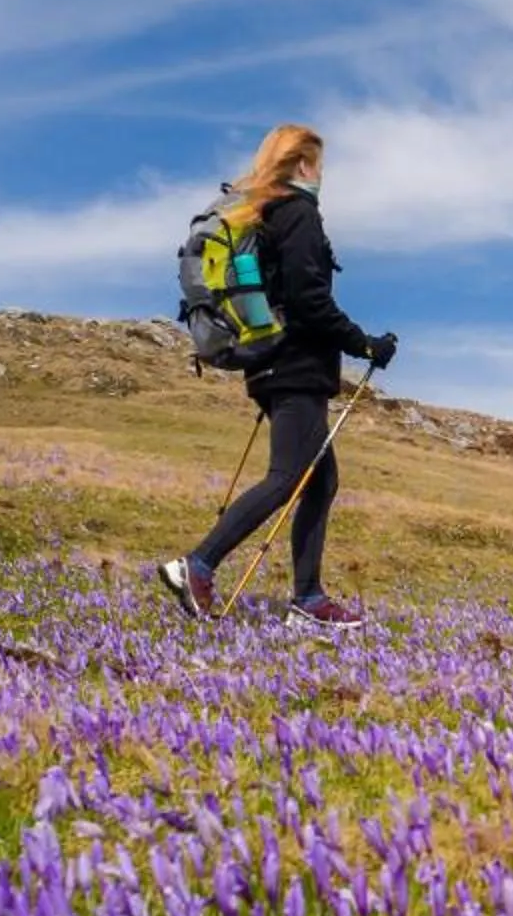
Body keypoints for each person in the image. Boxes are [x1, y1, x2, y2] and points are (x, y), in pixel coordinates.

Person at [156, 125, 397, 630]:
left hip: (266, 360)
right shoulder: (299, 215)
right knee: (288, 478)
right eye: (320, 165)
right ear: (303, 164)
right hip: (296, 365)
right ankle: (197, 566)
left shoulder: (259, 214)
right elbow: (310, 302)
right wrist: (365, 345)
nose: (323, 175)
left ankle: (308, 598)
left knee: (319, 479)